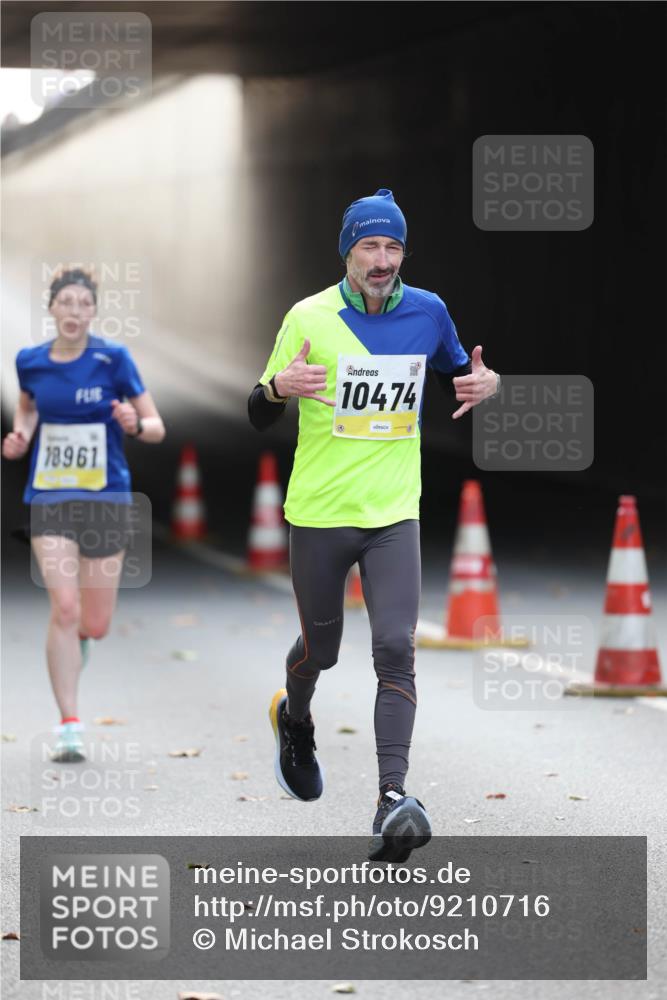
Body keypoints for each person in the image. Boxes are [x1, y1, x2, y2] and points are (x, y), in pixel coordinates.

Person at [248, 189, 501, 862]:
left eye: (393, 247)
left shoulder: (428, 311)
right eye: (369, 246)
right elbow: (256, 410)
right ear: (347, 251)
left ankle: (393, 798)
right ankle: (293, 718)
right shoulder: (308, 316)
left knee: (395, 648)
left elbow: (458, 372)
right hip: (320, 514)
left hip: (394, 514)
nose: (382, 259)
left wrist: (486, 384)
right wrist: (278, 390)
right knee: (320, 653)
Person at [2, 267, 165, 762]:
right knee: (65, 608)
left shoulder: (113, 359)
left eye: (83, 304)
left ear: (93, 311)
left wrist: (135, 423)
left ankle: (82, 645)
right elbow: (28, 407)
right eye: (65, 303)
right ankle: (69, 723)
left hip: (107, 499)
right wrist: (22, 434)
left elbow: (156, 426)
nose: (74, 312)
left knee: (94, 622)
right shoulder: (30, 361)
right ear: (51, 308)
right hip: (49, 498)